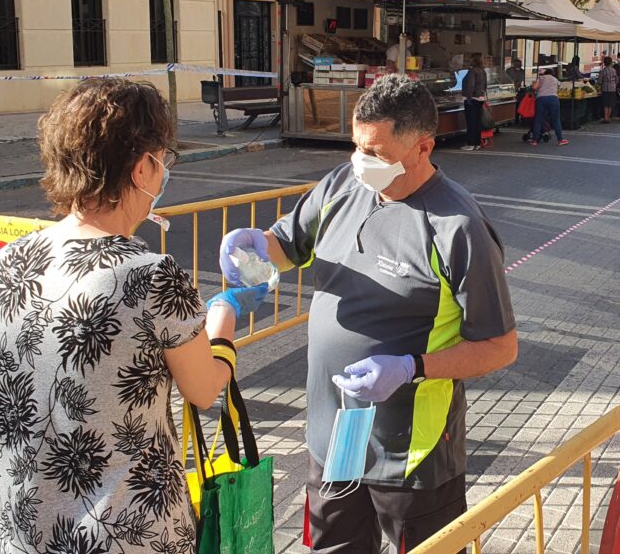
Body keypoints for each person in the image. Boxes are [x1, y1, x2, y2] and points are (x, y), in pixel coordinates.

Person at [0, 78, 270, 554]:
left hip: (26, 529)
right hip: (129, 532)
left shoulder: (5, 263)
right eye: (163, 159)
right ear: (142, 166)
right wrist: (225, 315)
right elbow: (203, 388)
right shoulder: (151, 275)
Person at [219, 75, 518, 554]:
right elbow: (286, 246)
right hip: (333, 438)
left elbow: (500, 347)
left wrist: (411, 368)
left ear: (423, 147)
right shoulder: (342, 185)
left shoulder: (458, 228)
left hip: (410, 453)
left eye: (376, 152)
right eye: (357, 146)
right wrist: (251, 246)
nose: (361, 161)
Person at [530, 66, 569, 146]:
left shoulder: (541, 78)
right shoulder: (555, 79)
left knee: (538, 119)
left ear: (545, 73)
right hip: (553, 99)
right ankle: (560, 140)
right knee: (556, 120)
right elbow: (561, 87)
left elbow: (534, 87)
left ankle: (535, 141)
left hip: (541, 99)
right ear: (552, 74)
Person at [461, 52, 487, 151]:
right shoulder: (482, 71)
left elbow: (470, 85)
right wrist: (482, 94)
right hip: (480, 98)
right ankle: (477, 143)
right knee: (477, 122)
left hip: (472, 98)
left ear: (474, 60)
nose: (469, 60)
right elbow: (485, 85)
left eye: (471, 58)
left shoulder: (472, 71)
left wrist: (468, 98)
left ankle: (470, 143)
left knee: (471, 122)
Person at [598, 56, 619, 123]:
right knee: (610, 104)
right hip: (613, 89)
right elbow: (616, 80)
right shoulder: (614, 70)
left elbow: (599, 81)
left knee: (605, 104)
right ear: (611, 63)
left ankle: (605, 117)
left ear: (604, 63)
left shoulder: (603, 71)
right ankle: (608, 117)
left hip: (605, 89)